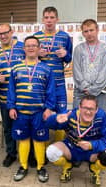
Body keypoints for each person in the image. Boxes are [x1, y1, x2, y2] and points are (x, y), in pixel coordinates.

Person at [7, 36, 56, 183]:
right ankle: (23, 166)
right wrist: (11, 107)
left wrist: (48, 108)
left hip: (39, 112)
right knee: (23, 140)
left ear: (39, 48)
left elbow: (51, 91)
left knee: (39, 140)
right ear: (24, 48)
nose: (31, 48)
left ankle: (41, 167)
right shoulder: (16, 68)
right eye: (28, 45)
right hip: (21, 112)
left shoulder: (46, 69)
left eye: (34, 45)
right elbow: (11, 90)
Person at [45, 95, 106, 186]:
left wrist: (91, 145)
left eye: (92, 109)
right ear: (79, 108)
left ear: (96, 109)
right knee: (51, 152)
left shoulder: (101, 116)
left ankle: (94, 168)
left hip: (92, 151)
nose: (88, 112)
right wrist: (55, 120)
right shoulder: (70, 114)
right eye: (85, 108)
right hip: (72, 148)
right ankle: (67, 166)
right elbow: (48, 124)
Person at [34, 6, 73, 142]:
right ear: (42, 19)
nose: (49, 21)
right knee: (41, 115)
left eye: (52, 18)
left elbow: (69, 59)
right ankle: (42, 148)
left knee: (62, 115)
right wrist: (37, 54)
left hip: (59, 84)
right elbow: (29, 57)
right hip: (41, 85)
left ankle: (60, 146)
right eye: (46, 18)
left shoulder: (64, 36)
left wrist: (65, 54)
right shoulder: (37, 37)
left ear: (57, 19)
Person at [0, 23, 25, 167]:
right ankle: (11, 153)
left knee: (25, 125)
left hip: (24, 97)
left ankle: (28, 154)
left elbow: (33, 64)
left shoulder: (23, 47)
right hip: (5, 97)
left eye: (5, 33)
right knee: (8, 127)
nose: (3, 36)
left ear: (12, 32)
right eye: (0, 34)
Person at [73, 19, 106, 113]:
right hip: (81, 91)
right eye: (86, 31)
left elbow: (105, 72)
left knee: (99, 120)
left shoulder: (105, 49)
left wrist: (93, 89)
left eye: (91, 30)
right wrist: (85, 87)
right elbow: (76, 70)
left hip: (99, 92)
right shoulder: (78, 49)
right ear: (82, 33)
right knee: (78, 119)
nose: (89, 33)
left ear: (97, 30)